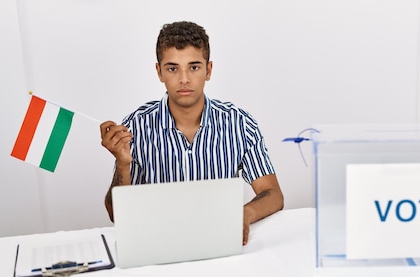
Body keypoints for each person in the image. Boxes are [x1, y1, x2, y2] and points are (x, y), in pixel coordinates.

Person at [100, 21, 284, 245]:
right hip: (160, 244)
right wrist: (122, 164)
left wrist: (244, 214)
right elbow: (115, 215)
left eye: (194, 67)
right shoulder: (136, 126)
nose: (184, 79)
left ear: (209, 70)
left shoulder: (238, 123)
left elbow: (272, 194)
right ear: (159, 72)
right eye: (172, 68)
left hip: (219, 241)